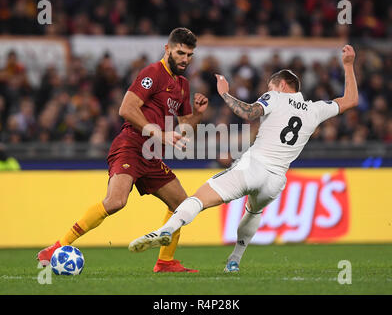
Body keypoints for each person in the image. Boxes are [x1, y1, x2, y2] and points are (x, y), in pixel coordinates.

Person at [129, 45, 358, 272]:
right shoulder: (315, 109)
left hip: (253, 166)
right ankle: (234, 260)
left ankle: (166, 230)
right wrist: (348, 65)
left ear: (282, 85)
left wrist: (224, 93)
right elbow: (350, 100)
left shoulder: (275, 97)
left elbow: (248, 112)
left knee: (200, 198)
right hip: (276, 179)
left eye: (270, 86)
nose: (268, 90)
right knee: (253, 212)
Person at [37, 27, 209, 273]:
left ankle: (165, 262)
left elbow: (183, 127)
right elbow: (126, 109)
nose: (185, 59)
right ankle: (56, 247)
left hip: (151, 154)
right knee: (116, 201)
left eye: (189, 55)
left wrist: (198, 116)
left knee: (182, 205)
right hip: (131, 145)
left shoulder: (182, 84)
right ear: (167, 49)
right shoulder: (152, 73)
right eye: (180, 53)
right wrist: (158, 133)